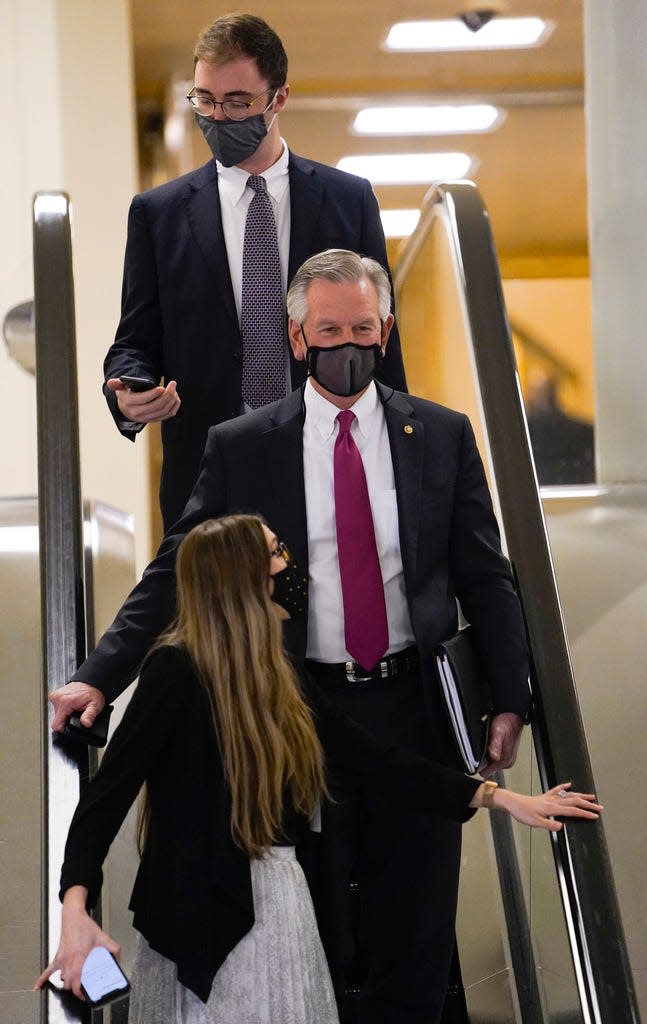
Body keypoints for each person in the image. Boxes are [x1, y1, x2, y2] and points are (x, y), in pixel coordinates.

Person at [50, 249, 536, 1022]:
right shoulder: (245, 444)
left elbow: (485, 572)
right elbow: (181, 563)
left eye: (363, 328)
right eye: (329, 329)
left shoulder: (438, 434)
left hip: (415, 705)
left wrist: (509, 697)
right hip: (298, 714)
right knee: (320, 936)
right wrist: (102, 675)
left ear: (385, 331)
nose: (348, 344)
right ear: (298, 336)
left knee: (414, 937)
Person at [37, 514, 601, 1020]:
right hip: (202, 918)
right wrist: (74, 906)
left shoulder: (279, 671)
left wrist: (502, 798)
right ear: (243, 579)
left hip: (279, 904)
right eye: (277, 553)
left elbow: (375, 760)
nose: (290, 565)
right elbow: (106, 798)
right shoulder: (174, 670)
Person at [103, 13, 406, 529]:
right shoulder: (158, 214)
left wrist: (402, 459)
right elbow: (135, 339)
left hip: (329, 458)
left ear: (278, 99)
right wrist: (127, 391)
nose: (218, 118)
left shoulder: (347, 201)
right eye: (204, 100)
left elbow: (383, 345)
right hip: (206, 473)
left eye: (238, 103)